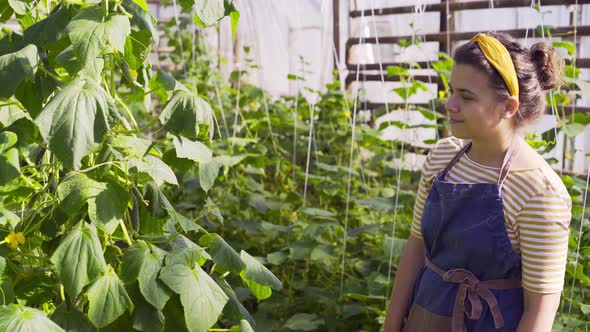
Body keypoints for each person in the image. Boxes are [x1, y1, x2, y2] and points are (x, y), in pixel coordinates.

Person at [383, 32, 572, 332]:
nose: (450, 104)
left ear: (508, 107)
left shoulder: (538, 192)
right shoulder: (442, 157)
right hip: (424, 316)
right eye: (451, 91)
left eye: (466, 97)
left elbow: (539, 314)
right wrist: (391, 325)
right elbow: (416, 247)